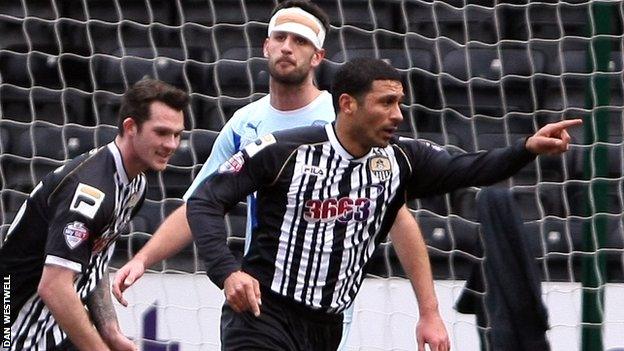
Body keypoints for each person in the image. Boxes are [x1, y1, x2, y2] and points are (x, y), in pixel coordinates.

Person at [112, 1, 449, 350]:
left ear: (318, 56)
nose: (288, 46)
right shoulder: (245, 123)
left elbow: (398, 218)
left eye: (300, 40)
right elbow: (198, 204)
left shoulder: (348, 122)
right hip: (262, 302)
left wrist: (429, 311)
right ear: (266, 46)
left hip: (325, 313)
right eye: (280, 37)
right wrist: (142, 259)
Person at [185, 57, 581, 351]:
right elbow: (204, 200)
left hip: (326, 326)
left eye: (400, 103)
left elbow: (468, 168)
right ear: (347, 104)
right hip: (262, 315)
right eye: (386, 103)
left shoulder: (402, 159)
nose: (398, 115)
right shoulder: (284, 151)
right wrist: (228, 272)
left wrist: (526, 148)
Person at [0, 78, 188, 351]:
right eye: (161, 133)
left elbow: (93, 258)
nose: (171, 144)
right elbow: (54, 286)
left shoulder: (135, 185)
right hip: (14, 325)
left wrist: (110, 331)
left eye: (177, 134)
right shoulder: (91, 191)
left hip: (52, 325)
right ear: (130, 127)